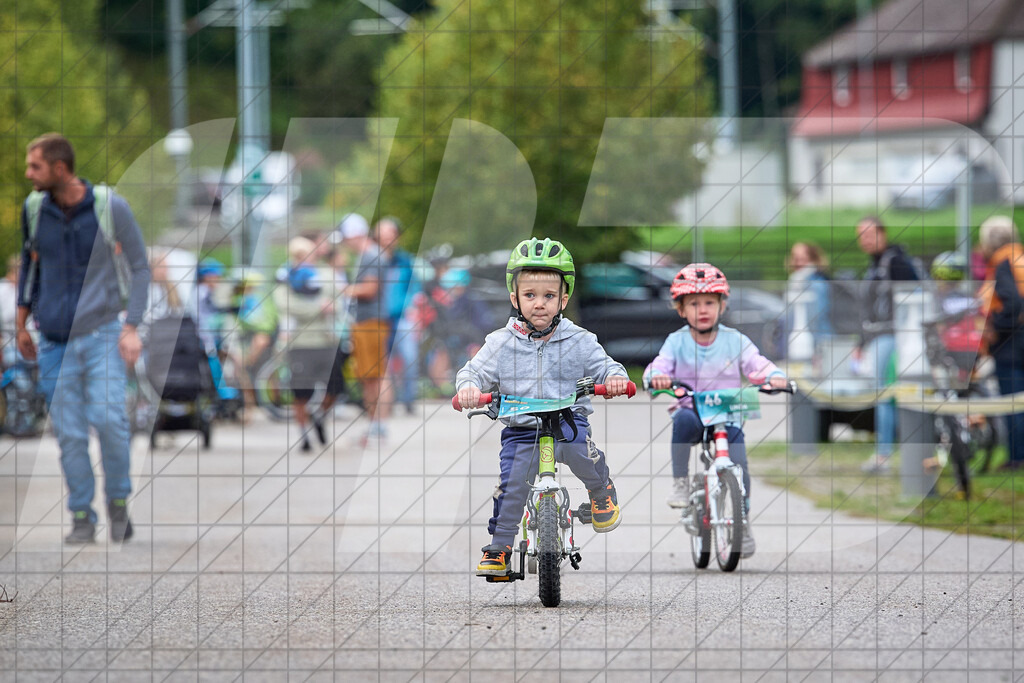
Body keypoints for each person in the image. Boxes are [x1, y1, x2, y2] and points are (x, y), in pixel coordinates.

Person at [455, 237, 631, 576]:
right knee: (511, 487)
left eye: (549, 296)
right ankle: (500, 547)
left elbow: (607, 366)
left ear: (563, 299)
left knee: (581, 453)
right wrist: (469, 389)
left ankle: (601, 491)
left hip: (567, 421)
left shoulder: (580, 340)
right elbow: (472, 371)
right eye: (530, 295)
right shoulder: (500, 343)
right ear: (515, 298)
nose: (539, 304)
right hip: (522, 429)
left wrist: (614, 379)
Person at [17, 133, 150, 544]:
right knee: (69, 434)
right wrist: (21, 324)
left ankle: (118, 501)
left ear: (60, 168)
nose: (28, 173)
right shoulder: (34, 209)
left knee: (110, 420)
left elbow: (141, 267)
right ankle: (81, 516)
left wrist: (132, 326)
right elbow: (29, 266)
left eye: (35, 166)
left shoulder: (109, 207)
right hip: (53, 341)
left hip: (102, 334)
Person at [643, 263, 788, 559]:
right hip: (692, 410)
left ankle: (742, 519)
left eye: (710, 302)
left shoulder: (735, 340)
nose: (703, 310)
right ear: (681, 309)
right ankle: (681, 482)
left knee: (740, 465)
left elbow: (756, 363)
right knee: (682, 421)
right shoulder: (677, 341)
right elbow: (660, 364)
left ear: (722, 306)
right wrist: (657, 377)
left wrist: (774, 376)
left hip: (727, 413)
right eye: (694, 304)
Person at [853, 217, 920, 474]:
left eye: (869, 234)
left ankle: (884, 455)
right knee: (886, 395)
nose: (865, 240)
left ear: (883, 233)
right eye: (861, 236)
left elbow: (912, 297)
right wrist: (861, 341)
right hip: (879, 337)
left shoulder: (895, 262)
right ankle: (890, 453)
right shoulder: (876, 264)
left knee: (885, 395)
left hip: (892, 338)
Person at [276, 237, 338, 452]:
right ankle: (304, 435)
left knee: (335, 388)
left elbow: (337, 301)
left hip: (326, 340)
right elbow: (285, 305)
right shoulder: (285, 277)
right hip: (300, 342)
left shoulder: (325, 274)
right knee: (300, 393)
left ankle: (319, 414)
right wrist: (318, 310)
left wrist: (330, 307)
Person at [335, 213, 390, 444]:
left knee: (375, 377)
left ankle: (378, 428)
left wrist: (343, 290)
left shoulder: (371, 255)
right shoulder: (369, 255)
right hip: (367, 322)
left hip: (371, 323)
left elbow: (369, 289)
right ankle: (375, 426)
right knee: (370, 377)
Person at [977, 216, 1024, 471]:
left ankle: (1017, 457)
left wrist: (996, 327)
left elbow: (1013, 303)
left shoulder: (1003, 263)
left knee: (1013, 403)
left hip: (1011, 347)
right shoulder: (1019, 257)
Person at [373, 217, 419, 415]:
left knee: (409, 357)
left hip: (402, 318)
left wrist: (412, 305)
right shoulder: (372, 260)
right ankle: (388, 400)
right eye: (383, 234)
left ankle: (408, 399)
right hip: (379, 320)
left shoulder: (404, 260)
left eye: (391, 234)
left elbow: (414, 286)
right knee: (384, 364)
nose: (387, 238)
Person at [785, 242, 832, 365]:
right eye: (795, 258)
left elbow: (818, 317)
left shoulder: (817, 284)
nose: (798, 262)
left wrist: (818, 348)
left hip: (818, 343)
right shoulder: (795, 282)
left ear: (812, 259)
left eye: (802, 259)